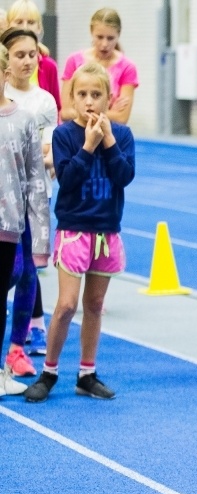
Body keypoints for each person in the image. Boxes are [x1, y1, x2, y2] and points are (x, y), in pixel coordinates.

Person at [24, 62, 135, 403]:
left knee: (96, 304)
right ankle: (50, 371)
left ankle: (87, 373)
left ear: (108, 99)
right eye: (83, 94)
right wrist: (88, 146)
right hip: (74, 230)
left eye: (97, 95)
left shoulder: (123, 136)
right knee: (67, 305)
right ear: (71, 98)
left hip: (106, 231)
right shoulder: (65, 135)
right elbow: (68, 180)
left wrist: (109, 142)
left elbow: (124, 176)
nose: (90, 101)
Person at [7, 0, 62, 353]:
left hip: (34, 195)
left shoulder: (44, 102)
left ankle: (18, 348)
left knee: (28, 272)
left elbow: (47, 150)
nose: (28, 61)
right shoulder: (3, 94)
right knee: (9, 272)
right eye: (20, 55)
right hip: (4, 197)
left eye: (32, 56)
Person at [0, 42, 50, 397]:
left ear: (4, 76)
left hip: (10, 226)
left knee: (13, 280)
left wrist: (41, 239)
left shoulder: (25, 119)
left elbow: (35, 180)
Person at [60, 7, 137, 125]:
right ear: (91, 32)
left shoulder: (127, 67)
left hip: (109, 134)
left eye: (110, 38)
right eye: (99, 37)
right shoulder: (74, 61)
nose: (104, 44)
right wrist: (107, 111)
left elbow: (122, 118)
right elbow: (65, 112)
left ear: (118, 35)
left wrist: (80, 110)